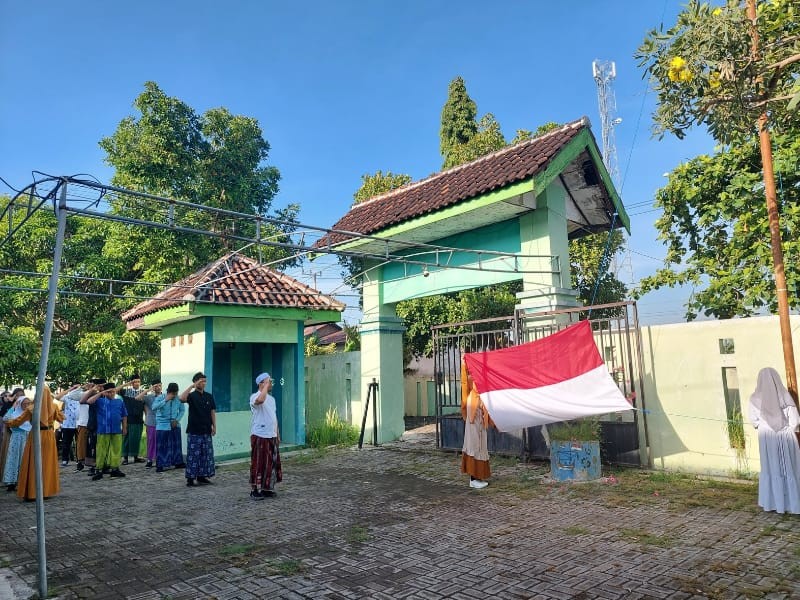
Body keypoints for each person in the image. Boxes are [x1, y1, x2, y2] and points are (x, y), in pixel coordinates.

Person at [748, 367, 800, 514]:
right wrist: (786, 428)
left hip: (767, 439)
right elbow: (795, 421)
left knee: (772, 468)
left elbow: (754, 421)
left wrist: (765, 426)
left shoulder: (754, 399)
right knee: (789, 468)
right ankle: (793, 504)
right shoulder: (785, 396)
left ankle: (775, 503)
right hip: (786, 437)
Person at [6, 385, 64, 500]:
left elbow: (18, 421)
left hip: (36, 436)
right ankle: (46, 491)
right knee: (47, 463)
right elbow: (61, 418)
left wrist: (8, 421)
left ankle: (32, 492)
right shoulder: (53, 407)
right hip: (49, 437)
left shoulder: (32, 408)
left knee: (34, 463)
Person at [82, 382, 127, 481]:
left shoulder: (119, 401)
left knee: (116, 449)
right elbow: (87, 401)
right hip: (103, 430)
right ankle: (99, 470)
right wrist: (101, 393)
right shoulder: (99, 401)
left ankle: (115, 468)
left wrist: (124, 427)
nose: (112, 394)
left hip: (116, 429)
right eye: (109, 392)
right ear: (105, 392)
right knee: (101, 450)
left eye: (113, 392)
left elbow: (124, 415)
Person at [249, 372, 282, 500]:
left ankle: (266, 488)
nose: (271, 384)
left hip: (271, 435)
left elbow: (274, 417)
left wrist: (277, 433)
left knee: (270, 463)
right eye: (268, 382)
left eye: (270, 382)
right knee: (258, 463)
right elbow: (260, 400)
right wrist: (265, 387)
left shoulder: (272, 399)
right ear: (261, 383)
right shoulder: (255, 396)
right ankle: (254, 490)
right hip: (259, 435)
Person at [179, 372, 216, 487]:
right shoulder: (191, 396)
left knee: (206, 455)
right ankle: (190, 479)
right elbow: (181, 398)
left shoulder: (209, 396)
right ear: (195, 382)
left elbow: (212, 411)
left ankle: (202, 476)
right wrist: (192, 386)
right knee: (193, 456)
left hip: (206, 429)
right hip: (194, 430)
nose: (203, 383)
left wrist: (214, 426)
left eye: (204, 381)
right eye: (201, 381)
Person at [460, 359, 491, 489]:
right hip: (473, 420)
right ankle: (473, 479)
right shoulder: (471, 386)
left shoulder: (482, 385)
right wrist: (463, 363)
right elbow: (464, 383)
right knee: (473, 446)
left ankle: (478, 477)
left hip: (479, 420)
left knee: (480, 447)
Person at [152, 382, 185, 472]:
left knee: (176, 445)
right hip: (162, 425)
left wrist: (177, 420)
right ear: (168, 392)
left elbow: (182, 410)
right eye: (173, 393)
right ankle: (160, 464)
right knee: (162, 446)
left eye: (176, 393)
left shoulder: (178, 399)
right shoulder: (161, 397)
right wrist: (165, 400)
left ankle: (178, 462)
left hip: (174, 424)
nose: (174, 395)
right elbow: (154, 407)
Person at [2, 393, 32, 492]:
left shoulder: (29, 415)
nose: (27, 405)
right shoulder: (14, 414)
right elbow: (5, 419)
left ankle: (22, 482)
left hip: (27, 439)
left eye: (28, 403)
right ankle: (11, 482)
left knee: (24, 460)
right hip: (16, 440)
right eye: (24, 403)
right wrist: (13, 407)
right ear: (20, 404)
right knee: (14, 460)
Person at [120, 375, 145, 465]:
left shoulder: (143, 392)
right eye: (135, 382)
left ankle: (135, 456)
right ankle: (125, 458)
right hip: (128, 419)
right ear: (131, 383)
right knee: (126, 439)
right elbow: (116, 389)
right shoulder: (126, 392)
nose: (137, 383)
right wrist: (128, 384)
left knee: (136, 439)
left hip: (138, 419)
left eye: (138, 381)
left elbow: (145, 406)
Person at [56, 383, 83, 467]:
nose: (76, 389)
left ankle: (80, 460)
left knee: (80, 443)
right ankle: (65, 460)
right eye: (75, 387)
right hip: (67, 424)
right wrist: (70, 389)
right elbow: (57, 397)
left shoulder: (82, 396)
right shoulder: (67, 397)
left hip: (79, 423)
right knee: (66, 443)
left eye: (78, 387)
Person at [137, 379, 162, 468]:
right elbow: (137, 398)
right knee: (151, 441)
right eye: (156, 386)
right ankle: (150, 460)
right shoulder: (149, 397)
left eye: (159, 385)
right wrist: (148, 389)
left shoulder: (164, 396)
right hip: (151, 422)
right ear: (153, 387)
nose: (158, 387)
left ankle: (159, 459)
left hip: (162, 423)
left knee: (160, 442)